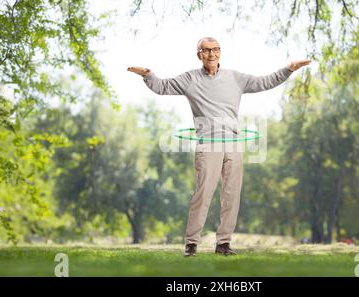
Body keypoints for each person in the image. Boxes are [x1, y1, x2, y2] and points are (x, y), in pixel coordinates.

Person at [127, 37, 311, 257]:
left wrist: (289, 69)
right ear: (199, 54)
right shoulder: (189, 79)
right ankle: (191, 243)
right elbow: (163, 86)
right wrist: (147, 74)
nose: (211, 54)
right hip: (208, 144)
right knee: (202, 195)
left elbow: (265, 82)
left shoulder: (235, 78)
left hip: (233, 143)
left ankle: (223, 243)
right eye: (206, 50)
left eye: (215, 50)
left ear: (220, 52)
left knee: (232, 195)